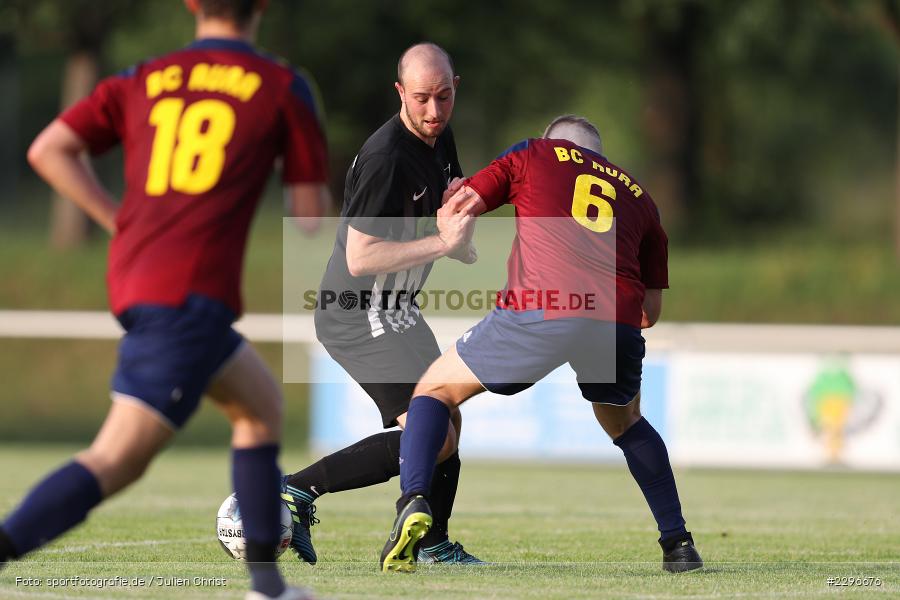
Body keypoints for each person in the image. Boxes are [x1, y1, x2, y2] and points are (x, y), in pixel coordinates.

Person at [0, 1, 329, 598]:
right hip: (190, 295)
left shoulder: (144, 77)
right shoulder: (282, 85)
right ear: (261, 7)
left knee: (260, 409)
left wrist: (117, 221)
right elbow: (309, 218)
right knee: (116, 459)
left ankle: (268, 586)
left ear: (191, 4)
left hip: (144, 284)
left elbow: (48, 149)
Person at [380, 115, 703, 574]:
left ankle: (412, 500)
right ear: (600, 159)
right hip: (614, 321)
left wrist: (451, 239)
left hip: (542, 307)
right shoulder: (641, 199)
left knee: (434, 391)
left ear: (556, 145)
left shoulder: (533, 153)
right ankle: (678, 544)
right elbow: (650, 312)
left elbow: (461, 205)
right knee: (627, 422)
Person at [279, 42, 483, 567]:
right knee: (431, 430)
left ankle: (433, 543)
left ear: (454, 86)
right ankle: (296, 491)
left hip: (396, 308)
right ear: (400, 93)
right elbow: (360, 257)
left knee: (447, 422)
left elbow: (448, 209)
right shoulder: (385, 158)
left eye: (443, 97)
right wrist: (443, 242)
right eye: (421, 99)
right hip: (355, 311)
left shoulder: (439, 138)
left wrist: (462, 225)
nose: (433, 111)